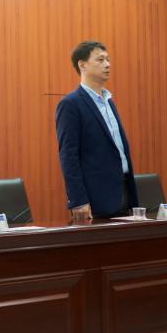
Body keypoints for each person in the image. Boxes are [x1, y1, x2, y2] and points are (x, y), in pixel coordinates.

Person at [55, 40, 137, 221]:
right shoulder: (70, 104)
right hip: (95, 198)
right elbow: (68, 156)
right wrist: (78, 200)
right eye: (100, 60)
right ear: (82, 65)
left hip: (123, 189)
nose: (107, 64)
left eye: (108, 59)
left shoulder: (109, 101)